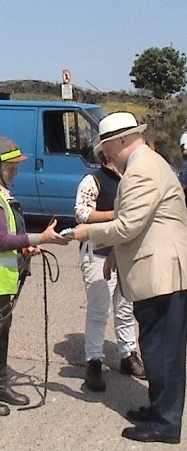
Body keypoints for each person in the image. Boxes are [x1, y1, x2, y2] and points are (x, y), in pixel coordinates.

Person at [72, 112, 187, 444]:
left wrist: (87, 232)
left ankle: (165, 423)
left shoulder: (141, 171)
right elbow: (143, 226)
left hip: (162, 274)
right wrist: (113, 258)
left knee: (161, 352)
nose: (108, 157)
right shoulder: (150, 164)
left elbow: (126, 226)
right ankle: (159, 408)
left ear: (122, 141)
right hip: (159, 270)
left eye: (108, 149)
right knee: (157, 347)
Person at [0, 135, 70, 417]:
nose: (16, 172)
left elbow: (7, 235)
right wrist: (40, 237)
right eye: (11, 167)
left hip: (0, 275)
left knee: (0, 330)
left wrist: (25, 246)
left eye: (16, 167)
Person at [75, 151, 145, 392]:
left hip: (125, 252)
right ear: (108, 154)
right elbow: (82, 213)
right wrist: (117, 217)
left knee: (125, 308)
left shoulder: (131, 178)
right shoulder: (93, 180)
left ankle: (128, 354)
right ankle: (93, 361)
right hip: (98, 252)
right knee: (99, 309)